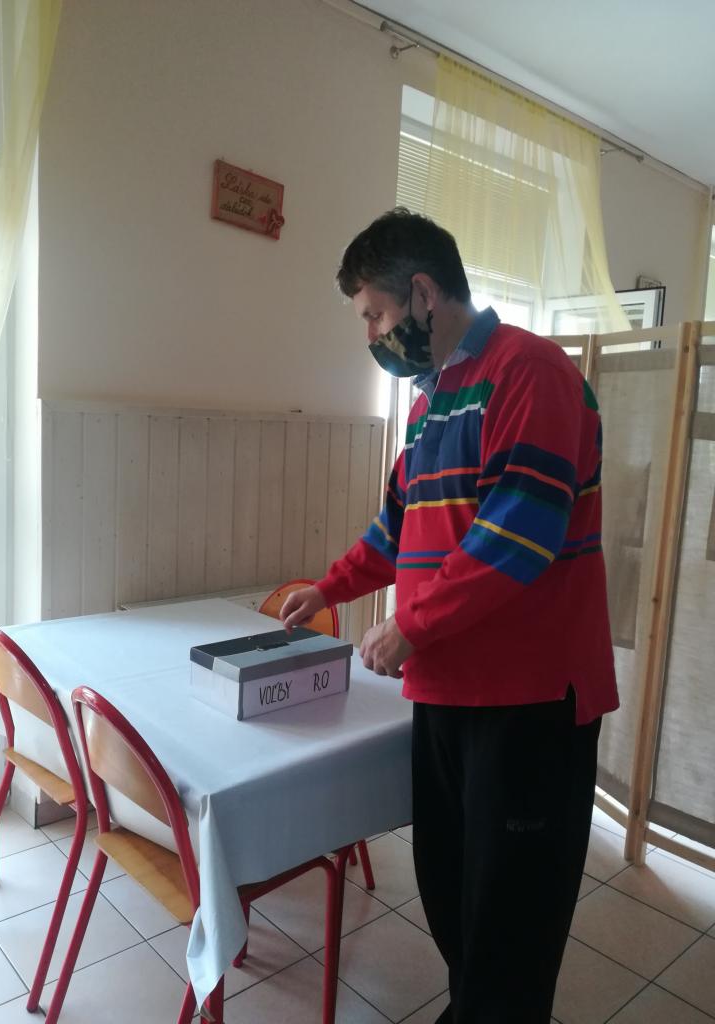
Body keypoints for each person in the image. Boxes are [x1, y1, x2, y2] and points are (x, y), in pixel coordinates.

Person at [280, 208, 618, 1024]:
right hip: (445, 693)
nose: (371, 334)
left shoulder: (530, 373)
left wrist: (409, 627)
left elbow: (518, 536)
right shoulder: (431, 405)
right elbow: (397, 528)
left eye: (375, 313)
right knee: (452, 893)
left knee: (513, 914)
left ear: (424, 294)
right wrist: (330, 589)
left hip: (529, 702)